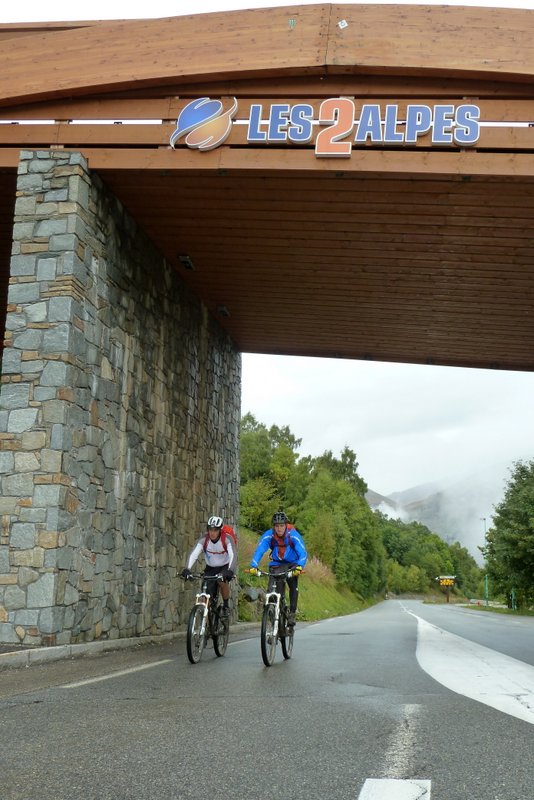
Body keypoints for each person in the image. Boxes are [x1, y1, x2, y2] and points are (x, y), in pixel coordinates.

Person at [249, 511, 307, 628]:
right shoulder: (269, 535)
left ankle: (292, 613)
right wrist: (253, 565)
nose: (279, 528)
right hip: (277, 564)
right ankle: (273, 620)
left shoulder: (293, 535)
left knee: (292, 583)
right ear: (273, 527)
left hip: (292, 564)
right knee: (273, 593)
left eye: (281, 525)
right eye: (276, 526)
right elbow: (260, 550)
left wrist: (300, 566)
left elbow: (303, 553)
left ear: (286, 525)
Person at [181, 515, 236, 616]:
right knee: (205, 595)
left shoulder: (227, 539)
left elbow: (233, 555)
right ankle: (206, 622)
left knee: (221, 581)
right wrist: (187, 569)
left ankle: (226, 605)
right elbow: (194, 554)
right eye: (210, 529)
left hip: (224, 566)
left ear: (220, 530)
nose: (212, 533)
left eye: (215, 530)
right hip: (210, 568)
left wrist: (230, 570)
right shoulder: (204, 540)